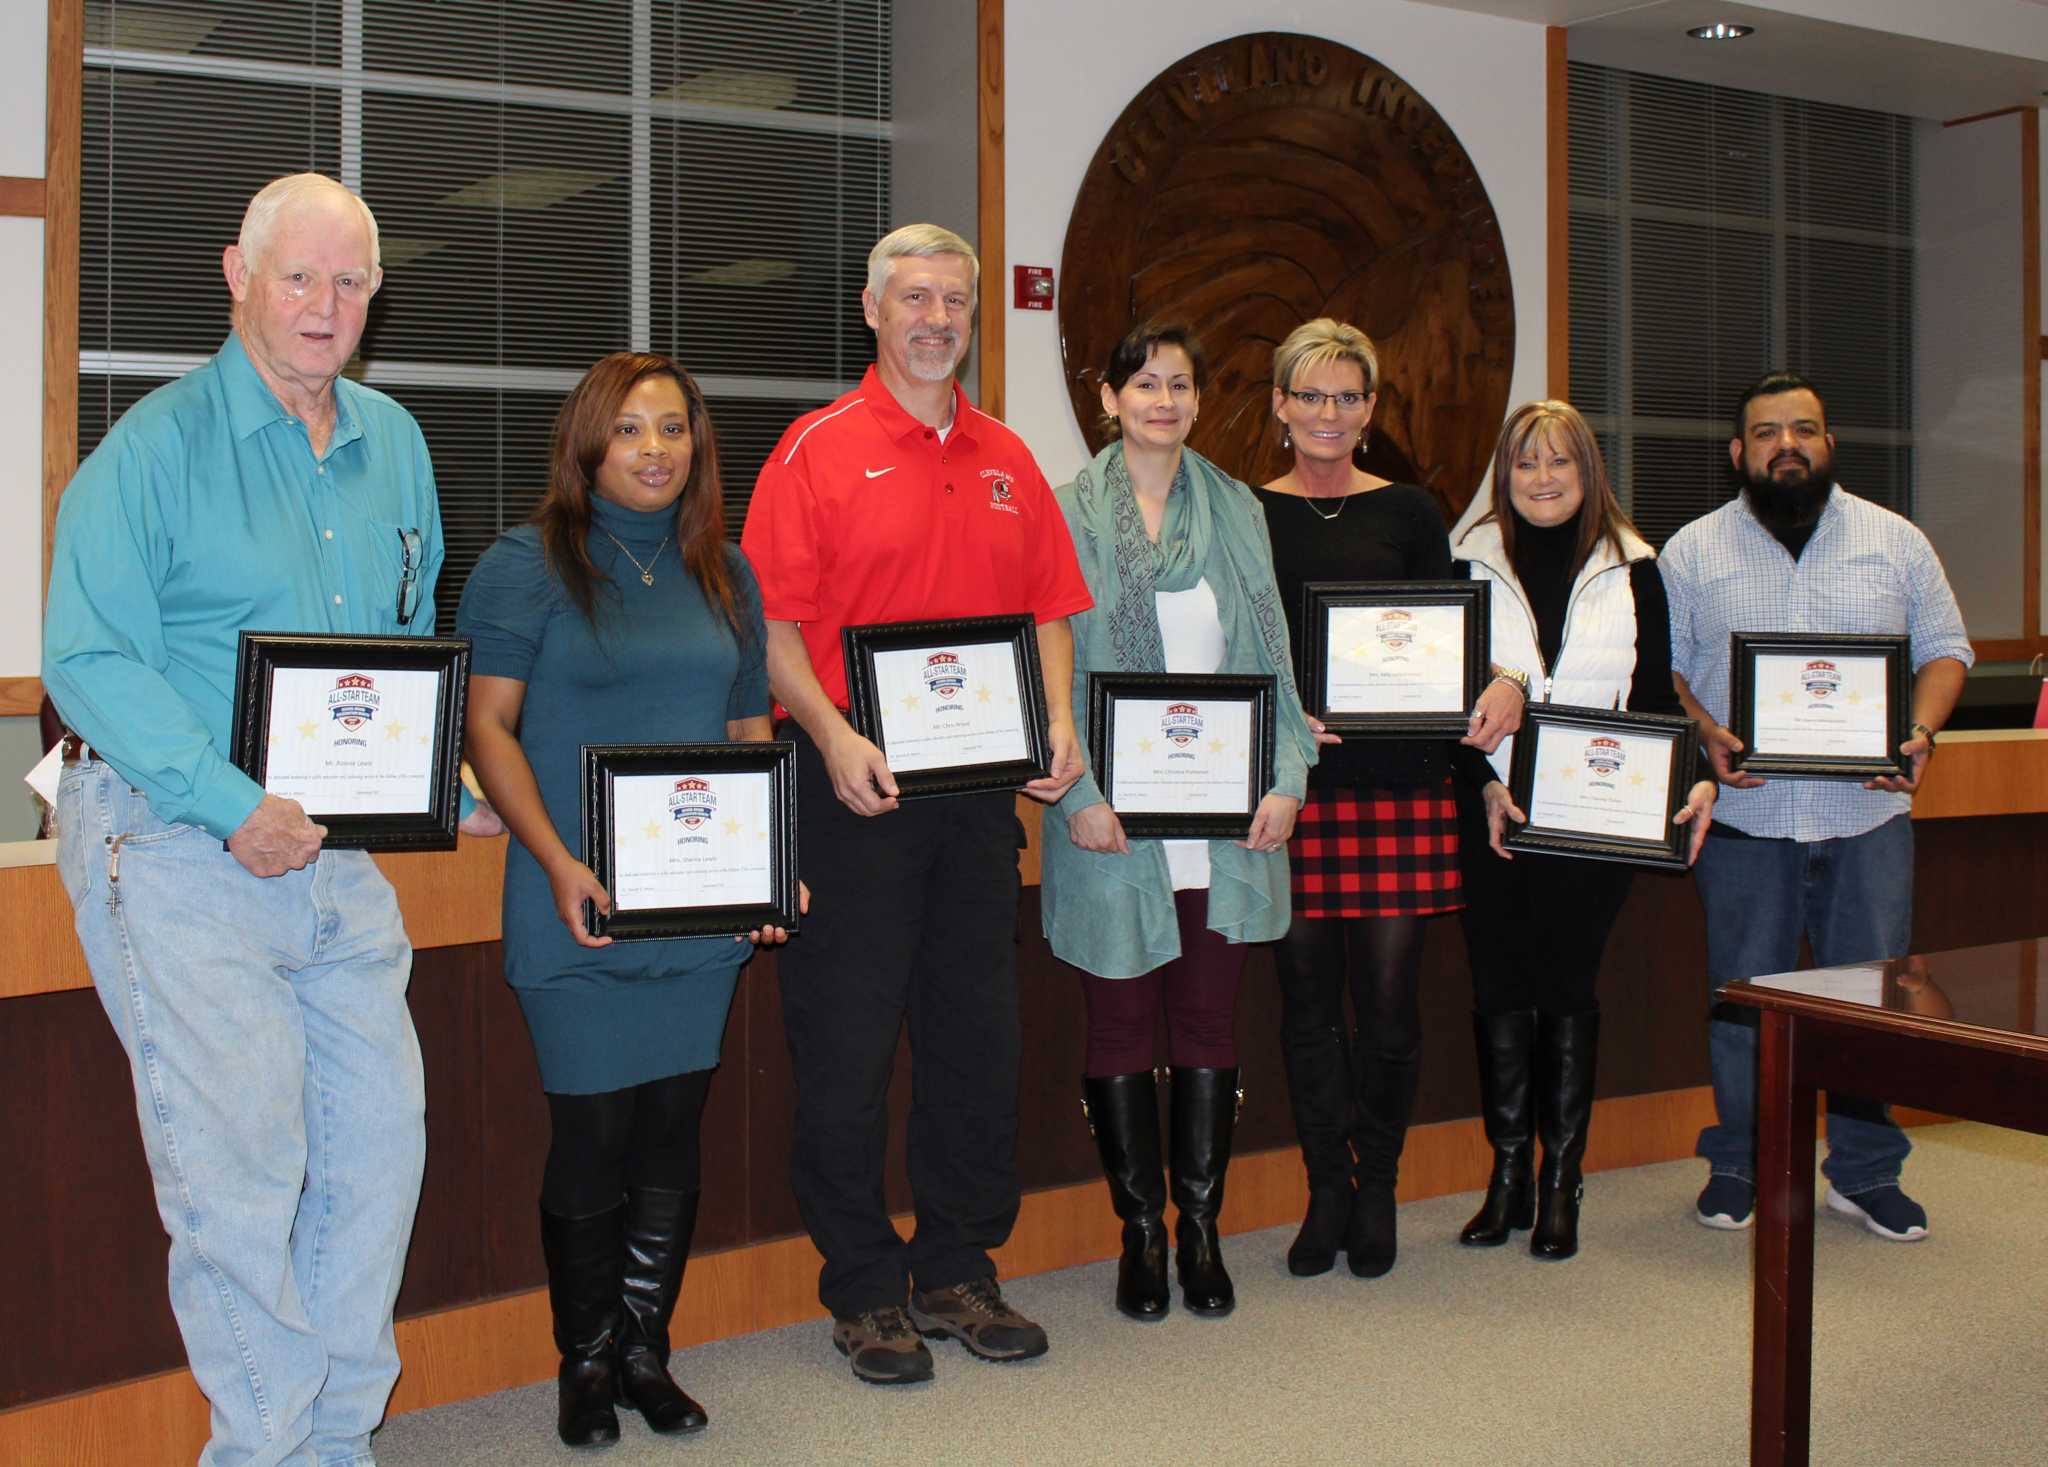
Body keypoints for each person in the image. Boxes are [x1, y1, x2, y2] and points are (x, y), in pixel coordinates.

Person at [42, 173, 452, 1467]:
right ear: (238, 273)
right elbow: (87, 658)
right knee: (243, 1173)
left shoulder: (394, 439)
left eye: (349, 281)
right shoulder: (152, 449)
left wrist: (437, 776)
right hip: (174, 838)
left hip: (334, 859)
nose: (325, 305)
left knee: (380, 1153)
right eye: (298, 276)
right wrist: (229, 804)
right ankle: (269, 1453)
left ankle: (332, 1442)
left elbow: (397, 642)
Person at [739, 223, 1092, 1385]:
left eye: (953, 298)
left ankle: (954, 1267)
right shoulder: (814, 450)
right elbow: (774, 633)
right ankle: (859, 1286)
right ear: (871, 311)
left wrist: (1053, 720)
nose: (935, 317)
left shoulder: (1006, 455)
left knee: (971, 1040)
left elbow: (1046, 609)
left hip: (976, 802)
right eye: (914, 298)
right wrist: (832, 735)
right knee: (842, 1050)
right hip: (852, 793)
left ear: (972, 313)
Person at [459, 353, 795, 1446]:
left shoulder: (723, 571)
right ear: (589, 442)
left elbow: (749, 734)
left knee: (669, 1134)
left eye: (674, 430)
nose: (655, 450)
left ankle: (647, 1353)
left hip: (699, 912)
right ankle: (585, 1363)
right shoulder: (525, 565)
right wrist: (556, 859)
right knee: (591, 1135)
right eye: (631, 430)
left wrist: (768, 858)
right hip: (578, 906)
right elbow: (486, 728)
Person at [1041, 322, 1318, 1321]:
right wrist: (1077, 797)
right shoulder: (1064, 514)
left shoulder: (1239, 509)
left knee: (1206, 1019)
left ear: (1199, 400)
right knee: (1117, 1020)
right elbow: (1047, 670)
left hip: (1225, 816)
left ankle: (1198, 1227)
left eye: (1179, 384)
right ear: (1107, 399)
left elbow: (1275, 661)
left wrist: (1285, 778)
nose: (1162, 399)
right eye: (1142, 383)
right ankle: (1140, 1234)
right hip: (1111, 815)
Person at [1662, 370, 1970, 1242]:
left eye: (1804, 429)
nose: (1786, 444)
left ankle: (1866, 1172)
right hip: (1746, 819)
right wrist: (1707, 727)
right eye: (1766, 432)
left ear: (1829, 444)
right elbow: (1669, 671)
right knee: (1742, 1000)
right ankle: (1739, 1161)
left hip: (1866, 816)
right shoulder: (1691, 551)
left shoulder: (1895, 541)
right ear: (1739, 452)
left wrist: (1917, 728)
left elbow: (1948, 651)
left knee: (1872, 1003)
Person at [1250, 318, 1525, 1280]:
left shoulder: (1412, 508)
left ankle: (1379, 1187)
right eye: (1311, 394)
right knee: (1307, 1005)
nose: (1329, 414)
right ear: (1280, 404)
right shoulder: (1249, 512)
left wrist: (1504, 681)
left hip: (1400, 787)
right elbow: (1240, 649)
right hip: (1293, 789)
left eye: (1348, 396)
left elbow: (1444, 639)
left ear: (1370, 410)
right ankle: (1326, 1187)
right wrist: (1282, 719)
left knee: (1392, 1005)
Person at [1449, 400, 1716, 1260]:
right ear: (1505, 473)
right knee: (1498, 989)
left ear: (1588, 470)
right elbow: (1443, 697)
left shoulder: (1638, 568)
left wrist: (1699, 774)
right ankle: (1509, 1176)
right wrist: (1481, 787)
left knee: (1566, 986)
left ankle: (1562, 1178)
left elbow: (1653, 702)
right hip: (1495, 809)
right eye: (1526, 462)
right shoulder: (1464, 560)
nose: (1543, 478)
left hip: (1597, 821)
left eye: (1560, 461)